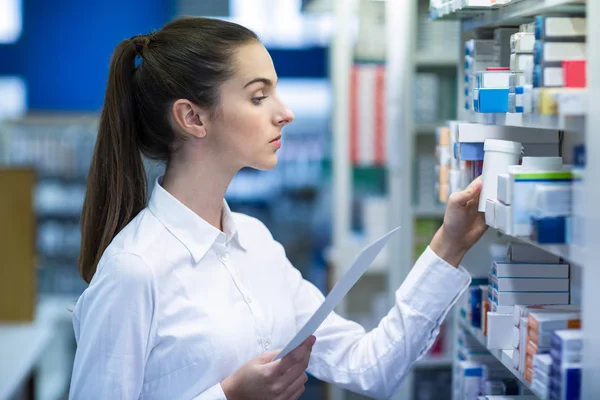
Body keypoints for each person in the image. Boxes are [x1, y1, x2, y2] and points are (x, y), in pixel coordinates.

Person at [69, 17, 486, 400]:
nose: (284, 113)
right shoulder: (134, 269)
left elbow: (370, 367)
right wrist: (228, 396)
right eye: (258, 96)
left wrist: (448, 246)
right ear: (192, 117)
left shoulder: (256, 243)